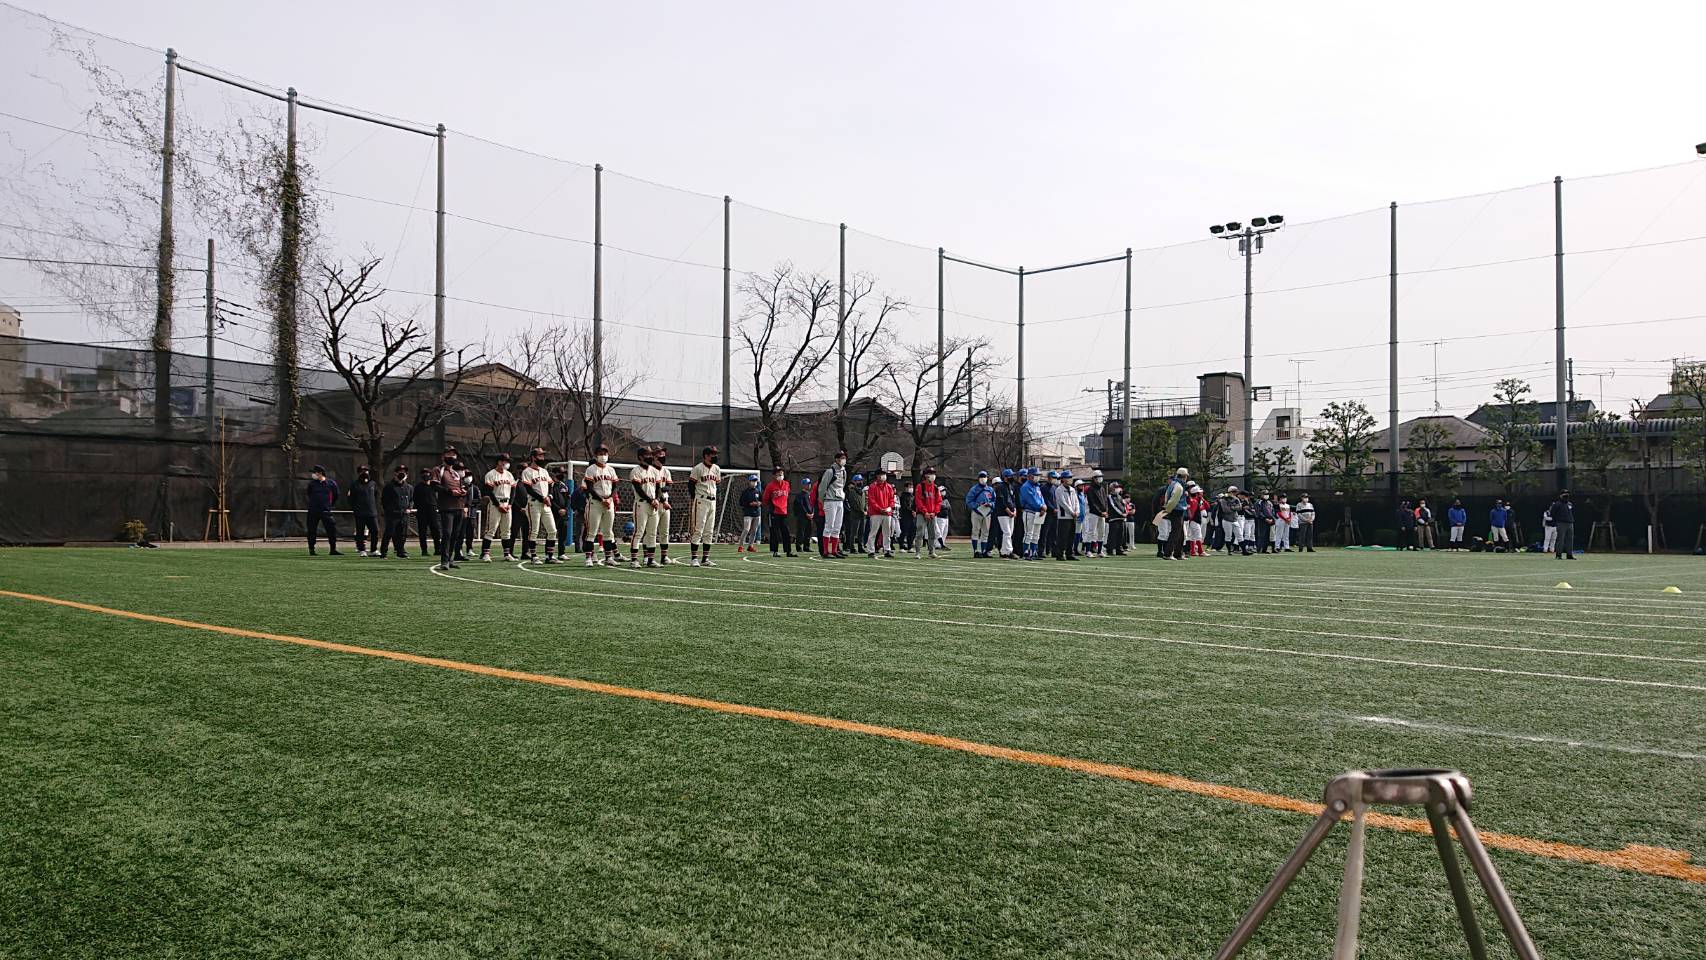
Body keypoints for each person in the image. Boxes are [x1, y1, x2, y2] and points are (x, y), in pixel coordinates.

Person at [583, 445, 621, 566]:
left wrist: (610, 498)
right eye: (600, 453)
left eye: (605, 453)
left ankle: (608, 557)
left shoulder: (611, 470)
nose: (603, 456)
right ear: (596, 455)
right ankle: (589, 558)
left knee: (607, 532)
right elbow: (589, 488)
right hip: (595, 503)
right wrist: (602, 499)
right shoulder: (591, 469)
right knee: (592, 532)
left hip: (608, 503)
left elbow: (615, 487)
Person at [428, 447, 466, 571]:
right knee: (447, 534)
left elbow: (460, 486)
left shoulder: (455, 472)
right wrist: (450, 491)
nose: (452, 457)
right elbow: (434, 485)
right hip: (447, 507)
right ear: (443, 456)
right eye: (449, 454)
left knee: (455, 534)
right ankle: (444, 561)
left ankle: (450, 559)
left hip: (459, 506)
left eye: (454, 454)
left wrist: (462, 492)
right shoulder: (438, 470)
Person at [519, 447, 558, 564]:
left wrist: (549, 496)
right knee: (534, 531)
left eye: (543, 455)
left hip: (546, 504)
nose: (542, 458)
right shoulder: (527, 471)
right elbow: (528, 489)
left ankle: (549, 556)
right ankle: (534, 556)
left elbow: (551, 485)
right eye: (540, 456)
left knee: (552, 530)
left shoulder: (544, 471)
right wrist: (542, 498)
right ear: (533, 457)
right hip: (534, 504)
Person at [480, 453, 517, 563]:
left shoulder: (509, 475)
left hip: (507, 504)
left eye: (508, 461)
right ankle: (485, 554)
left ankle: (507, 554)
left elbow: (513, 491)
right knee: (491, 529)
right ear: (499, 462)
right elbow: (489, 492)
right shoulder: (491, 474)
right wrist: (498, 505)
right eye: (505, 461)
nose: (507, 463)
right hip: (495, 504)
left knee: (506, 530)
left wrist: (510, 504)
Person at [688, 446, 722, 566]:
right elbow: (691, 485)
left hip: (712, 501)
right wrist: (695, 498)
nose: (715, 456)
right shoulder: (698, 468)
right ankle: (694, 559)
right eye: (712, 454)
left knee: (709, 531)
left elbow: (718, 485)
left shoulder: (716, 469)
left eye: (715, 453)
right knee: (698, 529)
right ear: (706, 455)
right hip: (701, 500)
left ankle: (705, 559)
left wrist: (718, 496)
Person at [303, 464, 342, 556]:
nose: (313, 474)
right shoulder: (312, 484)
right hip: (313, 510)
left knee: (331, 529)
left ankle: (333, 549)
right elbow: (309, 494)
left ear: (320, 473)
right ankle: (311, 549)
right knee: (311, 530)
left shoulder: (331, 483)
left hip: (325, 510)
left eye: (315, 472)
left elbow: (336, 495)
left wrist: (329, 505)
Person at [819, 451, 849, 559]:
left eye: (844, 458)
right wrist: (822, 500)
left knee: (837, 527)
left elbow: (842, 486)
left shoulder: (844, 472)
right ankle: (826, 551)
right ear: (836, 459)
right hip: (830, 500)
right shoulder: (830, 471)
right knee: (829, 526)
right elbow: (822, 487)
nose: (843, 460)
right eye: (841, 458)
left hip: (839, 500)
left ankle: (834, 550)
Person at [379, 465, 413, 559]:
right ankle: (384, 552)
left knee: (403, 534)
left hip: (404, 514)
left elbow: (411, 500)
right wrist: (389, 510)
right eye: (399, 471)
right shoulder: (389, 486)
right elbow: (384, 500)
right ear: (395, 473)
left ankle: (400, 551)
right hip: (393, 514)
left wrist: (409, 508)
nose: (402, 473)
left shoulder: (409, 487)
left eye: (404, 472)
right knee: (389, 533)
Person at [347, 465, 380, 557]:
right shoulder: (354, 485)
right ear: (358, 473)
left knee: (375, 531)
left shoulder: (373, 483)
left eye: (366, 470)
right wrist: (355, 509)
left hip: (371, 512)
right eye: (362, 471)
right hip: (360, 513)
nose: (364, 472)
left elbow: (376, 495)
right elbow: (351, 499)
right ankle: (361, 550)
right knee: (360, 532)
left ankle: (373, 550)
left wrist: (373, 507)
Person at [865, 468, 898, 557]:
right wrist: (880, 509)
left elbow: (892, 499)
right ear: (877, 476)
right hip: (876, 513)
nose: (883, 476)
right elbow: (872, 500)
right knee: (873, 532)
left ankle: (887, 549)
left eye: (884, 474)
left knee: (887, 533)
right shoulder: (872, 486)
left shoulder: (889, 487)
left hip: (887, 513)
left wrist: (889, 508)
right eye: (881, 474)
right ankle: (871, 550)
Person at [1157, 467, 1188, 560]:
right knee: (1176, 532)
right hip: (1177, 510)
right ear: (1184, 476)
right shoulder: (1179, 486)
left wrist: (1167, 507)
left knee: (1180, 533)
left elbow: (1167, 496)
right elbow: (1173, 500)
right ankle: (1168, 553)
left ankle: (1178, 553)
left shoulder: (1173, 484)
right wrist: (1168, 509)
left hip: (1174, 510)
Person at [762, 467, 794, 557]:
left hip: (784, 512)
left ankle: (788, 551)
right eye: (778, 473)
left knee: (786, 532)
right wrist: (771, 506)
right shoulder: (770, 486)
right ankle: (775, 551)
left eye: (781, 473)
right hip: (774, 512)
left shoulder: (786, 484)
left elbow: (787, 496)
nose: (780, 475)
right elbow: (765, 498)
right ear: (774, 475)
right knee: (775, 532)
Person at [913, 468, 944, 558]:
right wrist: (925, 512)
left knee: (932, 533)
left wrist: (935, 512)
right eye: (930, 473)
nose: (932, 476)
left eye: (933, 473)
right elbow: (918, 501)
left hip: (932, 514)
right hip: (922, 514)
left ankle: (931, 551)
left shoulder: (935, 488)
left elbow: (939, 501)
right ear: (925, 475)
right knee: (920, 533)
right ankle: (918, 552)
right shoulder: (920, 486)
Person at [965, 471, 996, 557]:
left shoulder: (990, 490)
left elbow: (995, 501)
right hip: (977, 512)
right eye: (981, 477)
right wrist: (977, 505)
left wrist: (990, 504)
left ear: (987, 478)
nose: (983, 479)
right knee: (975, 531)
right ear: (978, 478)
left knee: (985, 532)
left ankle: (984, 551)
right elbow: (968, 500)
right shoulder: (974, 489)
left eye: (984, 477)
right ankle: (976, 551)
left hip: (987, 513)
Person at [1018, 469, 1046, 560]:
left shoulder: (1037, 486)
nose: (1038, 477)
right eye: (1036, 475)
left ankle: (1033, 552)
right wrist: (1041, 506)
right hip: (1029, 512)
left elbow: (1041, 498)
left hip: (1038, 512)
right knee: (1028, 533)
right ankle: (1026, 552)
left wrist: (1043, 506)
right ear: (1030, 476)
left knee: (1036, 534)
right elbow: (1031, 500)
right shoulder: (1026, 486)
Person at [412, 468, 439, 557]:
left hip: (432, 510)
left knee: (435, 530)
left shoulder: (434, 486)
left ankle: (437, 549)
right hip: (422, 511)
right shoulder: (418, 487)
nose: (426, 475)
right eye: (424, 474)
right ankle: (424, 550)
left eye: (427, 473)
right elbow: (415, 499)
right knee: (422, 532)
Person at [548, 467, 572, 562]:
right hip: (554, 513)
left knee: (563, 534)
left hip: (564, 514)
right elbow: (551, 500)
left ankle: (561, 553)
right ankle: (549, 554)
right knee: (552, 533)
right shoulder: (551, 485)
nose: (563, 475)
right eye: (561, 473)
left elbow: (568, 499)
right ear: (555, 473)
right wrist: (558, 509)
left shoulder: (564, 485)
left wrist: (565, 509)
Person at [992, 468, 1017, 558]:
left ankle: (1003, 551)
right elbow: (1001, 501)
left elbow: (1013, 500)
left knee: (1009, 532)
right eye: (1010, 476)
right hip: (1003, 513)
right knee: (1007, 532)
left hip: (1011, 512)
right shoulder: (1000, 487)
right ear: (1005, 477)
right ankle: (1009, 551)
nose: (1012, 477)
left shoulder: (1010, 486)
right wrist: (1008, 511)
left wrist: (1014, 510)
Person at [792, 476, 818, 555]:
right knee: (801, 532)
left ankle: (806, 546)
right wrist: (806, 513)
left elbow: (812, 504)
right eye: (807, 484)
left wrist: (813, 513)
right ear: (803, 485)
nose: (809, 485)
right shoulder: (800, 495)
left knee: (808, 532)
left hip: (809, 516)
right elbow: (800, 505)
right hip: (802, 517)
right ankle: (799, 546)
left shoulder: (809, 494)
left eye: (809, 484)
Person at [1549, 490, 1576, 559]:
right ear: (1560, 495)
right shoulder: (1557, 504)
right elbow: (1552, 513)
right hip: (1561, 523)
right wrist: (1557, 521)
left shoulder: (1569, 504)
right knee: (1560, 539)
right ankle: (1558, 555)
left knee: (1570, 540)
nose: (1566, 495)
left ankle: (1569, 554)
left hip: (1570, 523)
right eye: (1564, 494)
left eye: (1567, 494)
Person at [738, 474, 763, 551]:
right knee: (746, 529)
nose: (754, 482)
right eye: (753, 481)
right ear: (749, 481)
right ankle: (741, 546)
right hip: (748, 513)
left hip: (757, 514)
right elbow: (741, 502)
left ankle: (750, 546)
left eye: (755, 481)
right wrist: (749, 504)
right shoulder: (745, 492)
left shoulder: (758, 491)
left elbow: (762, 501)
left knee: (754, 531)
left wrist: (759, 503)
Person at [1107, 481, 1129, 556]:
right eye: (1116, 487)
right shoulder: (1110, 496)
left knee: (1121, 535)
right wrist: (1121, 513)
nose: (1118, 488)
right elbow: (1113, 506)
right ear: (1112, 488)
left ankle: (1118, 549)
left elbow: (1124, 505)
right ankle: (1110, 550)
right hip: (1114, 518)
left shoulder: (1119, 497)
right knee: (1112, 535)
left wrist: (1125, 512)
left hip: (1121, 519)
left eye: (1118, 487)